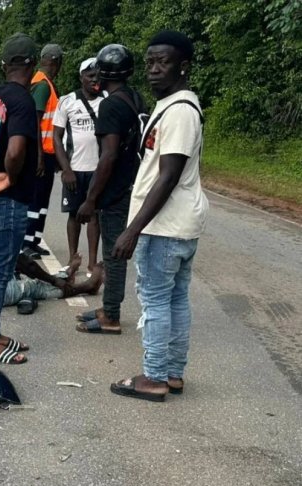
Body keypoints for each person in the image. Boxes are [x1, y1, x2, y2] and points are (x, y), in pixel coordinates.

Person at [109, 30, 207, 402]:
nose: (152, 69)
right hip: (176, 225)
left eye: (162, 62)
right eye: (149, 61)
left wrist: (132, 230)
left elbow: (168, 176)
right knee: (175, 300)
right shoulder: (172, 106)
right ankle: (172, 373)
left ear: (183, 66)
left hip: (165, 226)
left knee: (155, 301)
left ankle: (152, 377)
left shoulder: (180, 110)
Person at [0, 33, 39, 365]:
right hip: (10, 198)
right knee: (0, 270)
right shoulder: (23, 101)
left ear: (4, 65)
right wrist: (10, 178)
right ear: (33, 64)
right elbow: (15, 150)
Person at [74, 43, 146, 335]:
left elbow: (108, 155)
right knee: (115, 253)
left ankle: (111, 316)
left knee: (113, 253)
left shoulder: (110, 105)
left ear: (102, 74)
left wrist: (90, 199)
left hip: (116, 190)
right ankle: (108, 306)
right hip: (132, 183)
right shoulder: (135, 98)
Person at [0, 217, 103, 307]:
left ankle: (65, 274)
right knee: (31, 285)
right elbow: (27, 265)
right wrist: (55, 281)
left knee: (19, 275)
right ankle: (86, 287)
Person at [53, 57, 104, 275]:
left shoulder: (107, 100)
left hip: (98, 170)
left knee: (94, 215)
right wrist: (66, 169)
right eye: (90, 76)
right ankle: (73, 259)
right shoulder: (67, 101)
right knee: (74, 215)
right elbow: (57, 137)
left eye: (97, 75)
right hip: (74, 170)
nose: (95, 79)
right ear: (81, 77)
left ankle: (92, 263)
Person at [21, 43, 63, 259]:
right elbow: (36, 121)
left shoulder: (43, 82)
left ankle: (35, 239)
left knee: (43, 199)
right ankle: (27, 242)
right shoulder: (43, 85)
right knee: (35, 198)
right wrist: (38, 156)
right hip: (40, 154)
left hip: (47, 154)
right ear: (54, 61)